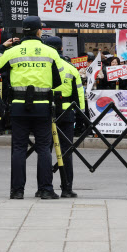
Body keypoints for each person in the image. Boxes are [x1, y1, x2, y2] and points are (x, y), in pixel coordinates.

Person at [0, 16, 63, 200]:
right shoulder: (50, 51)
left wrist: (1, 48)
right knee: (43, 148)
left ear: (24, 31)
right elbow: (57, 81)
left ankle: (17, 191)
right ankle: (46, 189)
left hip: (18, 107)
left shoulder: (13, 51)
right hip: (43, 107)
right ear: (39, 31)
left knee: (18, 148)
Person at [45, 36, 85, 198]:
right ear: (61, 48)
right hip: (66, 112)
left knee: (44, 151)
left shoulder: (44, 66)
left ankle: (44, 187)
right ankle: (66, 188)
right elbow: (79, 95)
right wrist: (82, 117)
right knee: (66, 151)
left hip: (46, 111)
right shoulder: (71, 68)